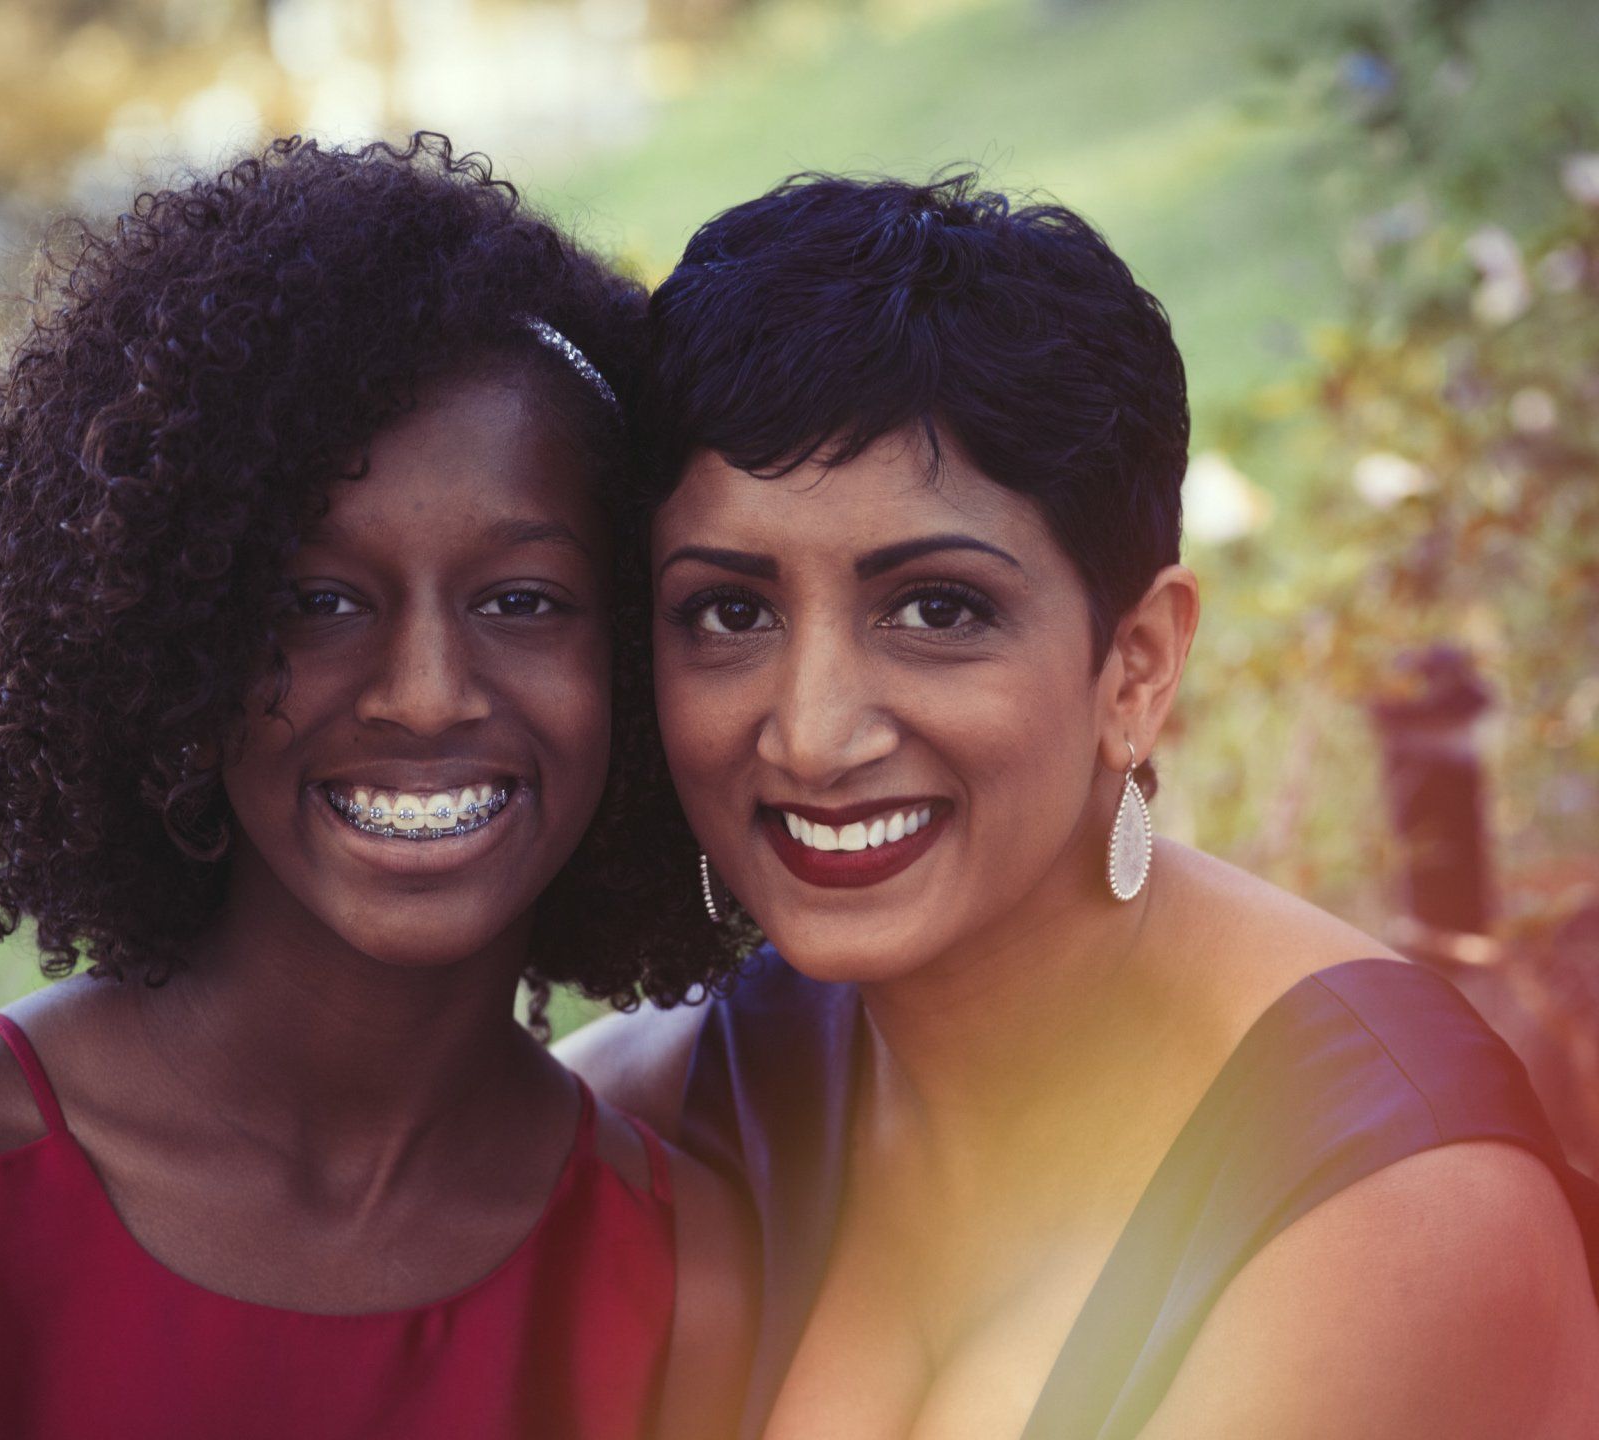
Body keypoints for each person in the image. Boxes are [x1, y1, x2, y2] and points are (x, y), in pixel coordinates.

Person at [0, 135, 750, 1439]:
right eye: (317, 600)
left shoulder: (679, 1275)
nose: (425, 692)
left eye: (523, 599)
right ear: (168, 636)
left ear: (635, 658)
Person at [563, 171, 1599, 1438]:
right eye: (731, 611)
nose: (812, 734)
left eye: (937, 609)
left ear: (1139, 665)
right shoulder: (683, 1096)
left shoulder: (1387, 1215)